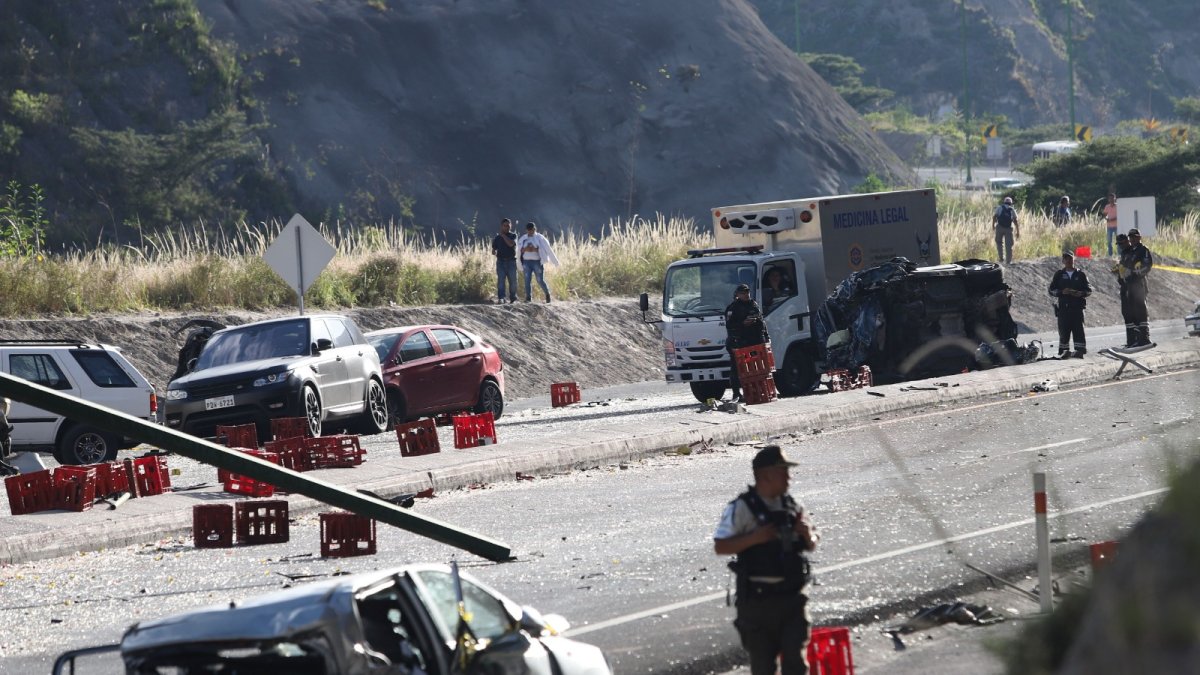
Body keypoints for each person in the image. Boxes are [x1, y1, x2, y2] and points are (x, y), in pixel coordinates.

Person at [714, 445, 819, 675]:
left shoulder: (792, 506)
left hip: (792, 600)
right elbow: (720, 546)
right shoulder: (741, 508)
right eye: (783, 471)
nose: (789, 477)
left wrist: (807, 535)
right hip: (757, 604)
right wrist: (755, 538)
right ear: (765, 475)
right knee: (763, 667)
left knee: (796, 664)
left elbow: (812, 542)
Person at [724, 283, 767, 401]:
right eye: (743, 293)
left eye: (747, 292)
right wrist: (743, 323)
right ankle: (736, 393)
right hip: (738, 342)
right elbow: (729, 325)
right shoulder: (733, 308)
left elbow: (762, 322)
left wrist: (756, 323)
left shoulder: (754, 305)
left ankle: (756, 391)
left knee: (755, 368)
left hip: (754, 341)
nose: (746, 294)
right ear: (737, 295)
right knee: (736, 368)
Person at [1048, 251, 1091, 358]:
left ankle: (1079, 352)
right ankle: (1064, 352)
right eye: (1066, 258)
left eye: (1070, 258)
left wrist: (1080, 293)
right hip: (1063, 309)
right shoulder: (1059, 274)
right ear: (1063, 261)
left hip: (1077, 309)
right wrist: (1062, 292)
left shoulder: (1080, 274)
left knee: (1079, 331)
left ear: (1073, 259)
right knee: (1064, 332)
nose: (1068, 260)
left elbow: (1089, 290)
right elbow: (1051, 290)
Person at [1118, 228, 1154, 347]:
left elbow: (1147, 265)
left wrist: (1133, 272)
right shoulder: (1129, 252)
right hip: (1129, 285)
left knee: (1140, 311)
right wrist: (1121, 273)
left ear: (1139, 237)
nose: (1132, 239)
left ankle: (1144, 338)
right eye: (1131, 237)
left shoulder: (1143, 250)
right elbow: (1124, 267)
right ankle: (1134, 340)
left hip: (1139, 284)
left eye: (1134, 237)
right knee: (1131, 312)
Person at [516, 221, 559, 303]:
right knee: (527, 280)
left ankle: (547, 294)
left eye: (532, 230)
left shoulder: (540, 238)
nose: (530, 231)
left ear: (534, 229)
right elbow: (518, 250)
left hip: (537, 262)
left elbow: (548, 249)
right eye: (529, 230)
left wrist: (555, 261)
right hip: (526, 262)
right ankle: (528, 298)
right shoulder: (523, 239)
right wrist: (525, 249)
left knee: (540, 280)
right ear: (526, 230)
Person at [1111, 233, 1133, 345]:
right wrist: (1117, 269)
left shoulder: (1133, 252)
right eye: (1118, 244)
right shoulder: (1123, 253)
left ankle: (1137, 339)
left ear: (1127, 241)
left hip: (1133, 287)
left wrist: (1124, 269)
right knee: (1126, 313)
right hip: (1124, 286)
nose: (1120, 246)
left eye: (1121, 243)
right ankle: (1130, 340)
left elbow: (1133, 269)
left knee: (1134, 314)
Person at [491, 218, 518, 304]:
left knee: (513, 281)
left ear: (511, 226)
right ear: (501, 226)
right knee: (501, 281)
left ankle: (513, 298)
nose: (506, 227)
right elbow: (493, 249)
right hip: (501, 262)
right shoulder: (497, 238)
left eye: (508, 226)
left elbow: (511, 244)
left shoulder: (513, 235)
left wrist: (503, 236)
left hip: (511, 261)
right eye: (505, 226)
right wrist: (494, 251)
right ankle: (501, 298)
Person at [992, 196, 1020, 263]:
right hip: (1008, 229)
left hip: (999, 227)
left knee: (999, 243)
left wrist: (993, 226)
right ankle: (1008, 261)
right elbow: (1015, 221)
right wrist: (1018, 231)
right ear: (1011, 203)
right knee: (1009, 245)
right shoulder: (1012, 210)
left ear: (1004, 202)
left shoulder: (999, 208)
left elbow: (994, 217)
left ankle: (1001, 258)